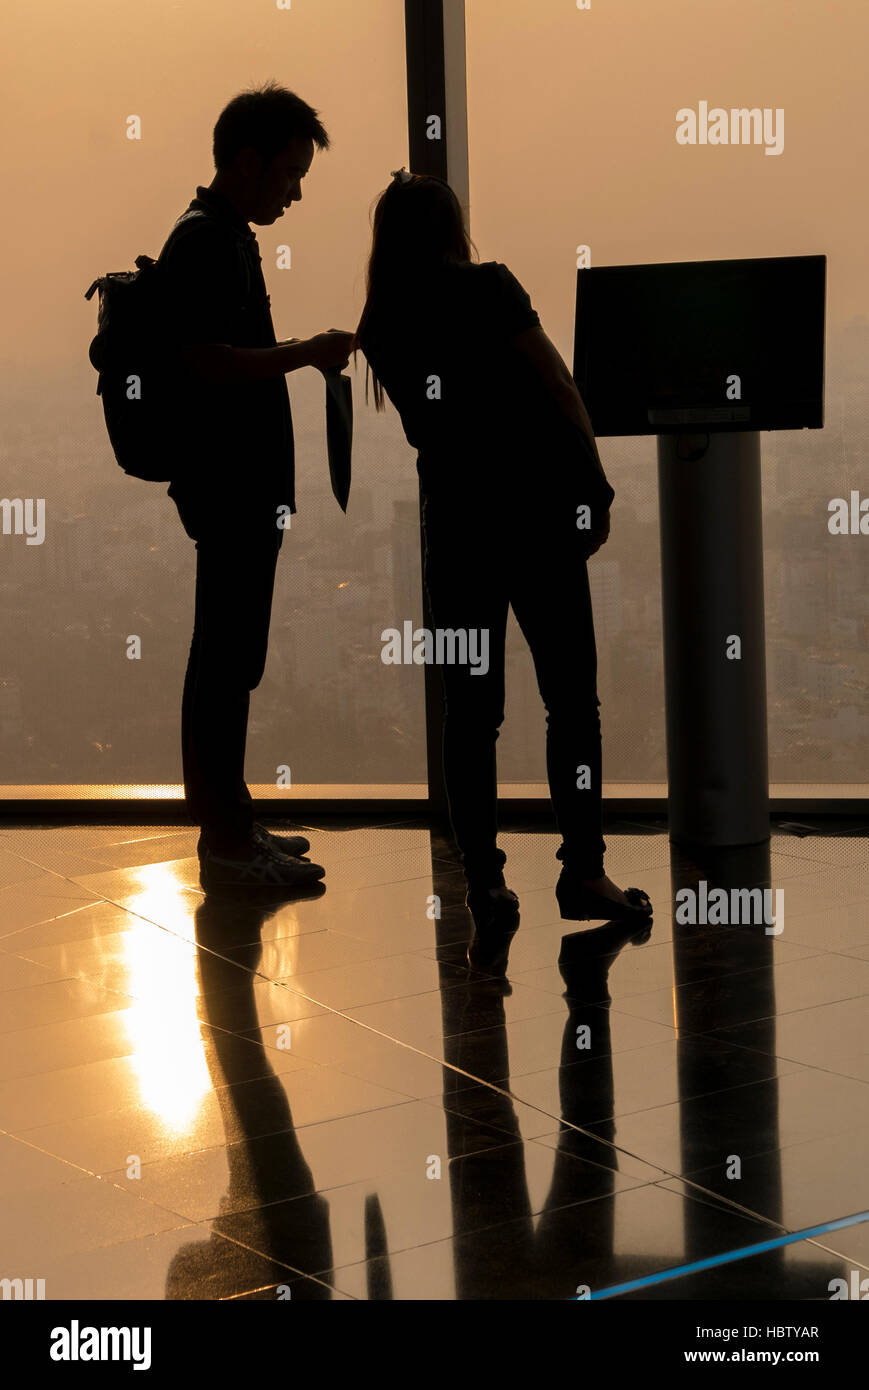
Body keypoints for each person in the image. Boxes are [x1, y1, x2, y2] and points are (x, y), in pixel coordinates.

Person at [355, 171, 652, 927]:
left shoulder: (381, 321)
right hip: (537, 517)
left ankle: (481, 885)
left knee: (470, 715)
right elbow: (556, 382)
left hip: (456, 529)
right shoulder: (489, 288)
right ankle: (582, 875)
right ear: (452, 225)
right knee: (570, 705)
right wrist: (594, 481)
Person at [159, 83, 355, 888]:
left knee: (228, 657)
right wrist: (305, 351)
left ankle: (231, 822)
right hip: (230, 486)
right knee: (226, 659)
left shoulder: (222, 235)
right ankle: (228, 843)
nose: (296, 192)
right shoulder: (208, 242)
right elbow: (204, 360)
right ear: (246, 162)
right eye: (288, 174)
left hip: (238, 485)